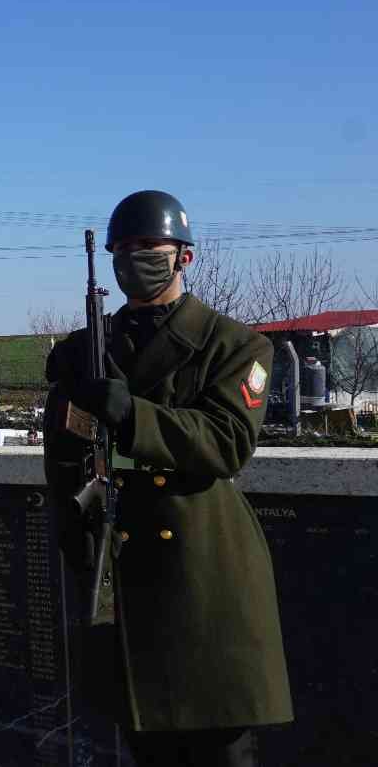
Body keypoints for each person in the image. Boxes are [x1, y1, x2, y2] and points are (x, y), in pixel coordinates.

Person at [44, 191, 292, 766]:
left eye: (148, 247)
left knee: (218, 742)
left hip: (201, 564)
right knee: (142, 737)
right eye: (123, 249)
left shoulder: (233, 344)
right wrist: (67, 514)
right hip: (121, 562)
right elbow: (65, 447)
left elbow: (226, 442)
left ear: (185, 256)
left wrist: (133, 415)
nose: (135, 259)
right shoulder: (87, 349)